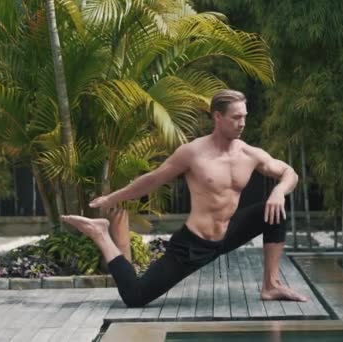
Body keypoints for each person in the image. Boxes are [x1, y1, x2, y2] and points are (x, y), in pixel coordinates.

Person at [61, 89, 307, 307]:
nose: (242, 123)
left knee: (275, 212)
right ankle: (100, 234)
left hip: (228, 232)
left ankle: (271, 285)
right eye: (236, 117)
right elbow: (153, 179)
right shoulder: (193, 153)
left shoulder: (250, 154)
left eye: (244, 116)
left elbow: (289, 173)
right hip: (195, 243)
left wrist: (278, 191)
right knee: (135, 297)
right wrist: (111, 198)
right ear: (217, 117)